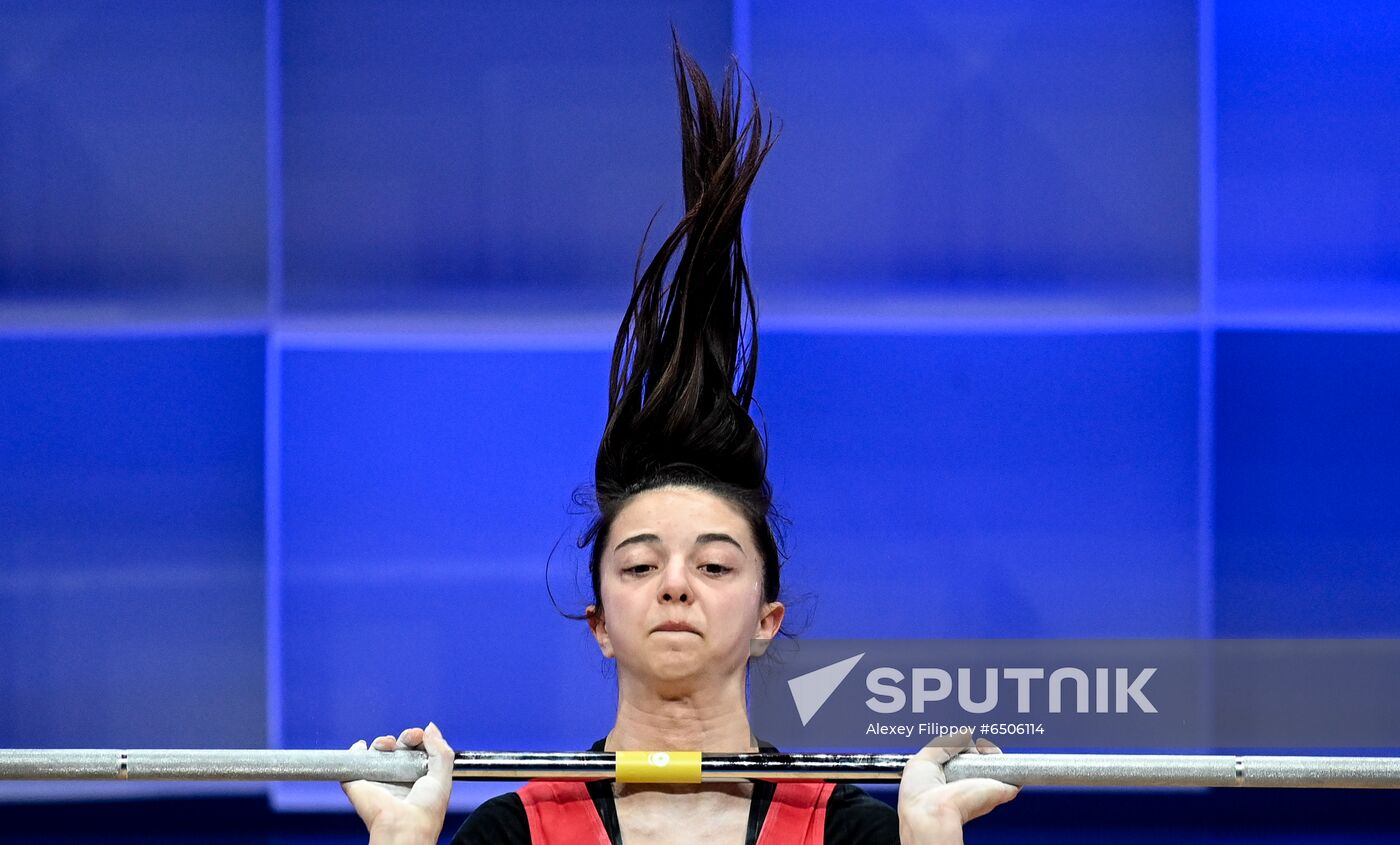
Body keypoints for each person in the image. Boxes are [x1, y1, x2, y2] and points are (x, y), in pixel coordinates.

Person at [341, 32, 1020, 844]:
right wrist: (399, 842)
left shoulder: (856, 829)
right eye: (639, 563)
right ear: (598, 621)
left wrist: (931, 836)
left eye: (713, 563)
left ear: (768, 616)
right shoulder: (512, 830)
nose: (674, 585)